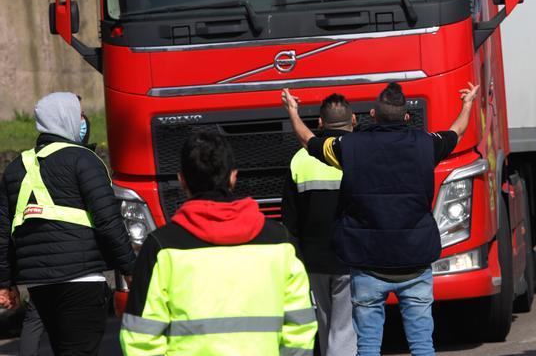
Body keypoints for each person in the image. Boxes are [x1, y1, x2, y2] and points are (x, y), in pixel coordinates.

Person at [282, 82, 478, 356]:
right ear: (407, 117)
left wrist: (292, 112)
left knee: (368, 347)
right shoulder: (426, 145)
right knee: (422, 345)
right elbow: (456, 132)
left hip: (368, 263)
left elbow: (310, 142)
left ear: (372, 114)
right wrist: (467, 104)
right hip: (415, 260)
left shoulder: (350, 148)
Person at [120, 132, 317, 356]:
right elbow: (300, 327)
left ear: (181, 179)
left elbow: (140, 339)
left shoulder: (161, 248)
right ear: (233, 177)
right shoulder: (281, 243)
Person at [0, 92, 135, 355]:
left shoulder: (17, 168)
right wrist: (129, 268)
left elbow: (3, 232)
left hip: (39, 285)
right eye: (79, 114)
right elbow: (109, 221)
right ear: (67, 118)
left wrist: (5, 282)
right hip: (82, 279)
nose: (83, 120)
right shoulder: (83, 160)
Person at [283, 94, 358, 356]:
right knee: (344, 329)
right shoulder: (361, 153)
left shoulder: (299, 159)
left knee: (325, 324)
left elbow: (290, 221)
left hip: (313, 260)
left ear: (319, 122)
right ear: (354, 120)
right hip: (350, 257)